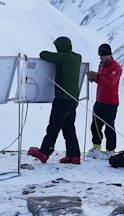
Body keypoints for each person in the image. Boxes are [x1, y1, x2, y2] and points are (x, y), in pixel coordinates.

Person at [28, 36, 83, 165]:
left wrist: (58, 55)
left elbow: (44, 55)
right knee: (69, 127)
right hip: (73, 99)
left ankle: (44, 152)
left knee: (53, 126)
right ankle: (74, 155)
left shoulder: (63, 57)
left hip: (62, 99)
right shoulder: (77, 57)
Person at [87, 43, 123, 159]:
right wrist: (95, 78)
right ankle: (97, 148)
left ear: (108, 55)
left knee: (109, 126)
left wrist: (96, 77)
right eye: (100, 55)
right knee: (95, 126)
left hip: (111, 102)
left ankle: (110, 150)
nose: (100, 57)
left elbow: (110, 83)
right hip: (100, 100)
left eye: (102, 55)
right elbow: (103, 81)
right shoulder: (102, 65)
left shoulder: (116, 67)